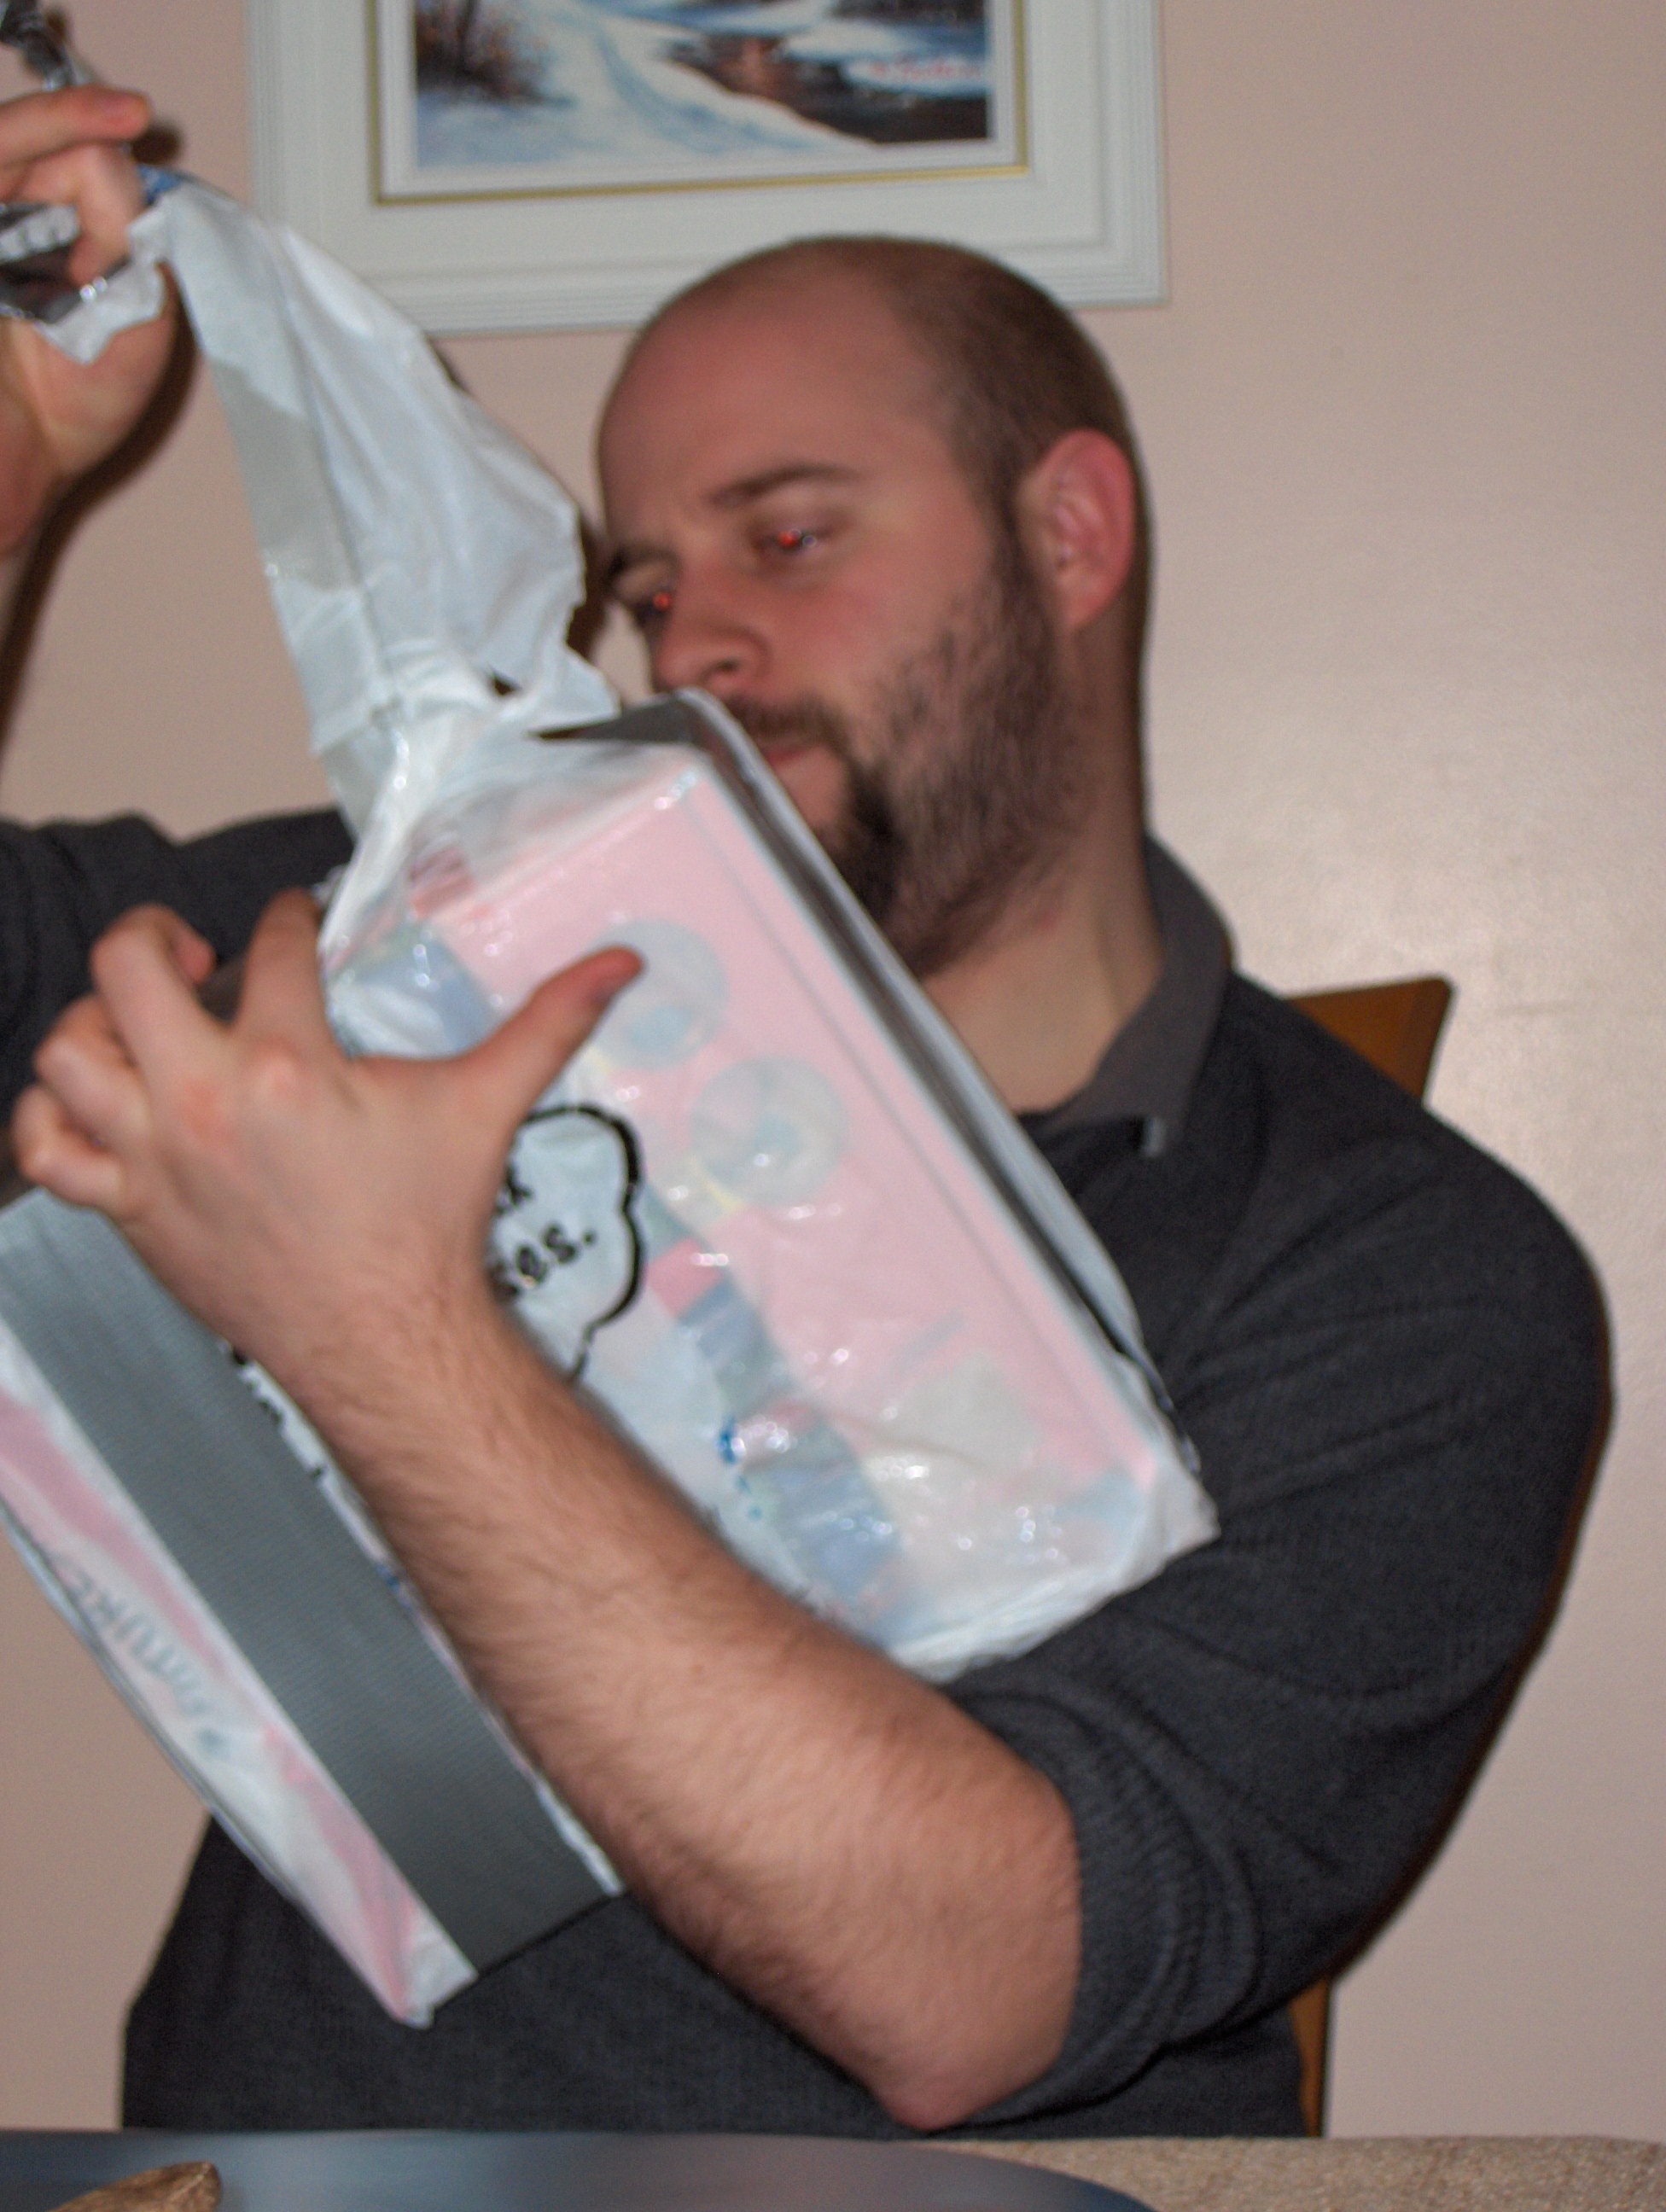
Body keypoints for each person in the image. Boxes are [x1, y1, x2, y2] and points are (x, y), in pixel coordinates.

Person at [0, 83, 1604, 2139]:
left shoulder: (1396, 1265)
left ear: (1068, 532)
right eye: (650, 582)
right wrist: (14, 471)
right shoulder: (430, 951)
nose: (695, 645)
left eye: (789, 536)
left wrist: (380, 1330)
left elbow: (978, 1985)